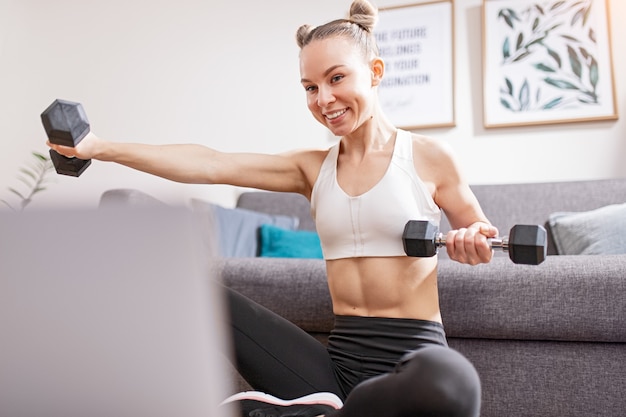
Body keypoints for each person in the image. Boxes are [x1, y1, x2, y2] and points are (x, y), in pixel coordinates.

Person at [48, 1, 498, 416]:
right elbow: (210, 163)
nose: (323, 99)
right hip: (334, 368)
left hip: (413, 359)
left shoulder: (428, 157)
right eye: (310, 87)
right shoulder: (310, 169)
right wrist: (100, 147)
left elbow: (482, 237)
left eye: (337, 78)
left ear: (375, 71)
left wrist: (470, 242)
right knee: (192, 289)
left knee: (454, 381)